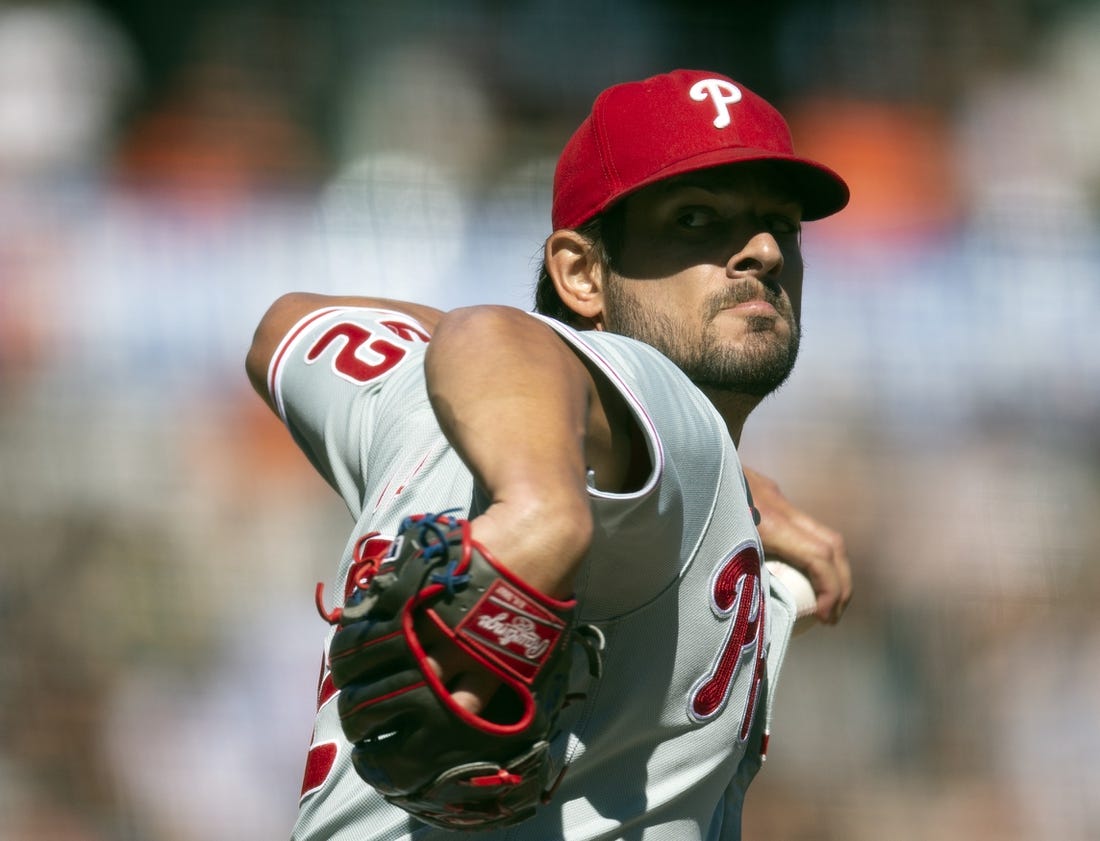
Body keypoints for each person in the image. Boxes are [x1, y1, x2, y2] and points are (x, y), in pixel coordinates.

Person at [246, 68, 852, 841]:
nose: (763, 250)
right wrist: (541, 514)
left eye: (783, 224)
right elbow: (506, 333)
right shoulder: (673, 412)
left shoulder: (409, 398)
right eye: (698, 220)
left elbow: (284, 327)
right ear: (580, 274)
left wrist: (738, 485)